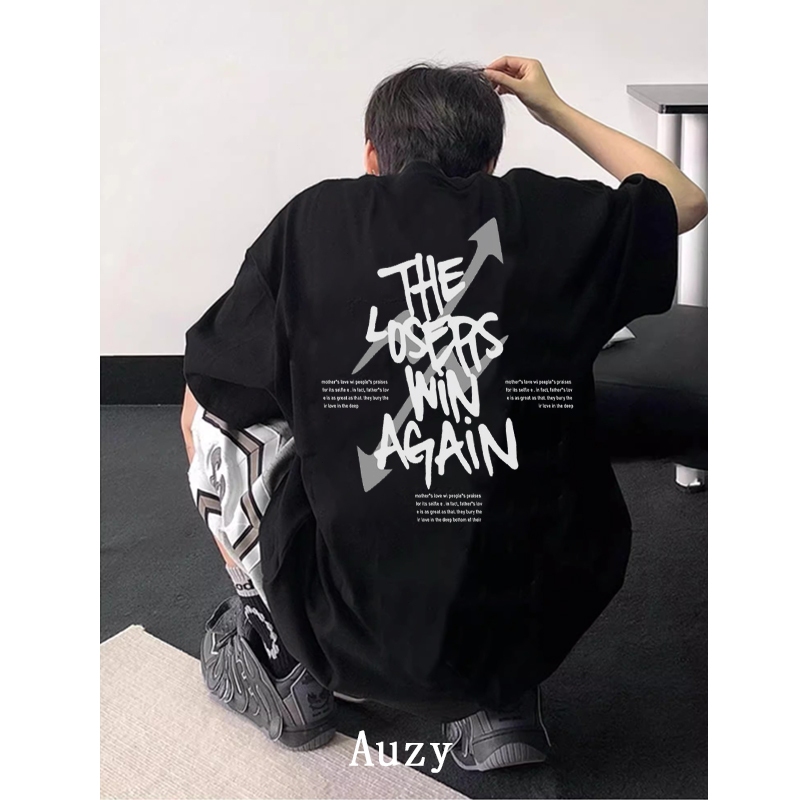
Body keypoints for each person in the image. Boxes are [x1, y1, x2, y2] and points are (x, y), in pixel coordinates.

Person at [182, 56, 707, 771]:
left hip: (339, 632)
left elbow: (216, 386)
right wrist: (552, 107)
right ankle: (500, 701)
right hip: (529, 630)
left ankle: (278, 648)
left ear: (372, 156)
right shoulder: (548, 216)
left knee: (206, 407)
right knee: (543, 406)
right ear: (491, 160)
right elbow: (685, 198)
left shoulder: (313, 219)